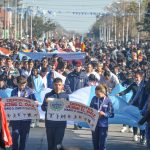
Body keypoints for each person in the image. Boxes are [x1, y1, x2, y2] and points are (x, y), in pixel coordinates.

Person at [10, 75, 38, 150]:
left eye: (23, 84)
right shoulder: (13, 91)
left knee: (24, 138)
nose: (22, 86)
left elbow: (35, 103)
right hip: (15, 119)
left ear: (26, 83)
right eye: (20, 85)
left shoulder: (30, 91)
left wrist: (35, 103)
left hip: (26, 119)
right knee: (14, 136)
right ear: (17, 83)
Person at [41, 78, 69, 150]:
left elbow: (68, 109)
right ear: (53, 85)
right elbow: (43, 107)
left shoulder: (65, 96)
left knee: (58, 143)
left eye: (59, 85)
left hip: (61, 124)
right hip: (50, 123)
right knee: (50, 143)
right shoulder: (48, 95)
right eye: (56, 85)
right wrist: (48, 106)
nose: (57, 86)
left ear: (62, 85)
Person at [90, 84, 114, 150]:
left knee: (102, 144)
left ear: (103, 93)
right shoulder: (94, 98)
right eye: (95, 94)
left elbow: (112, 114)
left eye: (98, 94)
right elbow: (90, 109)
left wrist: (104, 114)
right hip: (94, 124)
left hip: (103, 125)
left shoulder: (108, 101)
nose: (96, 95)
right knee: (95, 143)